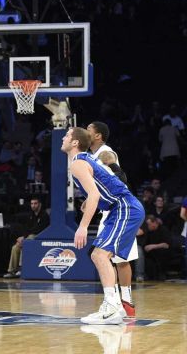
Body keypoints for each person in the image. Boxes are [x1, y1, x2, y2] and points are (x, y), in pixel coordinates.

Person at [64, 127, 145, 325]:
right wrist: (87, 202)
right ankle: (114, 306)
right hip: (119, 207)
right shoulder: (87, 159)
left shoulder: (78, 163)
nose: (63, 138)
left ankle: (112, 307)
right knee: (98, 254)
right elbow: (102, 186)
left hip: (124, 207)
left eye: (67, 135)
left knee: (101, 255)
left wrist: (82, 227)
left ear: (75, 143)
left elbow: (95, 193)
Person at [88, 121, 137, 318]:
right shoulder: (92, 155)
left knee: (115, 258)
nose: (86, 131)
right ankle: (120, 304)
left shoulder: (106, 152)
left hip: (119, 211)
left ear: (98, 135)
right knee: (113, 258)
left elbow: (121, 180)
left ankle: (120, 303)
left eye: (89, 129)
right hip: (112, 211)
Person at [3, 198, 49, 278]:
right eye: (32, 204)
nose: (33, 205)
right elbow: (26, 228)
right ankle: (11, 271)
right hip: (29, 237)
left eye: (35, 203)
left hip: (40, 237)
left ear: (40, 204)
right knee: (15, 247)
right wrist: (22, 237)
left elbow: (38, 229)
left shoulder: (44, 215)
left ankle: (21, 268)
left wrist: (24, 238)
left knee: (27, 241)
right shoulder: (30, 215)